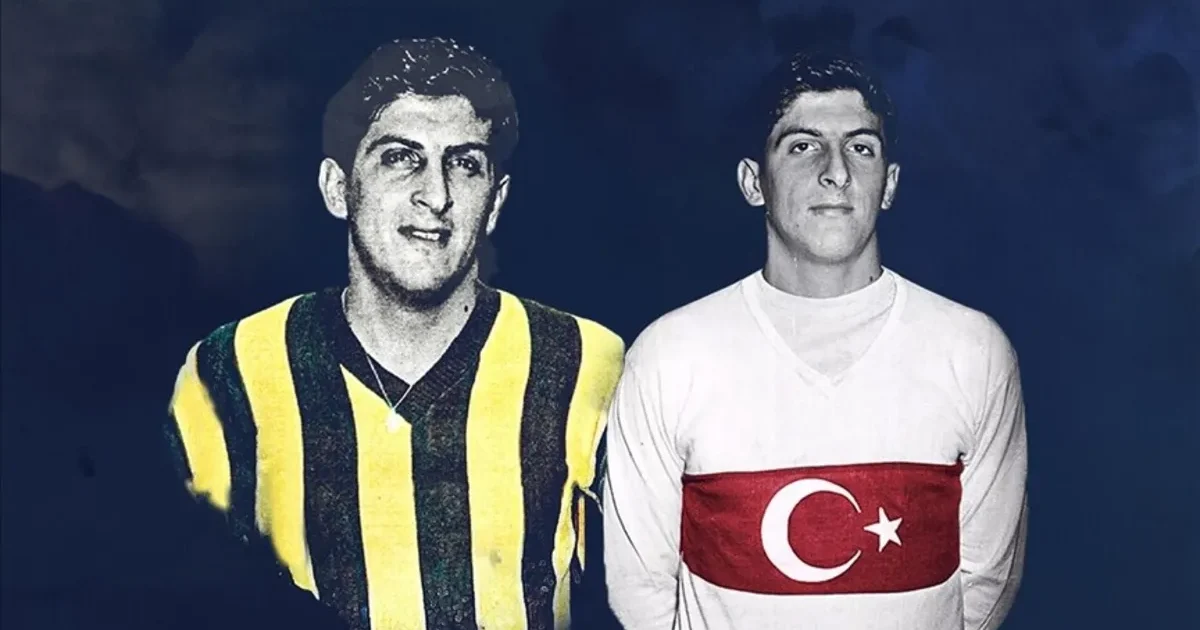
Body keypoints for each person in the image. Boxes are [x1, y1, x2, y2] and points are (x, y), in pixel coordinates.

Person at [164, 37, 624, 630]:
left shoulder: (587, 362)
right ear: (337, 188)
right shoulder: (229, 369)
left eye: (464, 163)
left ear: (495, 202)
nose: (435, 195)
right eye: (400, 157)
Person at [603, 51, 1028, 630]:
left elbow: (984, 582)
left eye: (861, 147)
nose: (837, 172)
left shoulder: (973, 349)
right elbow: (641, 590)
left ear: (889, 184)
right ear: (754, 181)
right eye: (803, 146)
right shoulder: (670, 354)